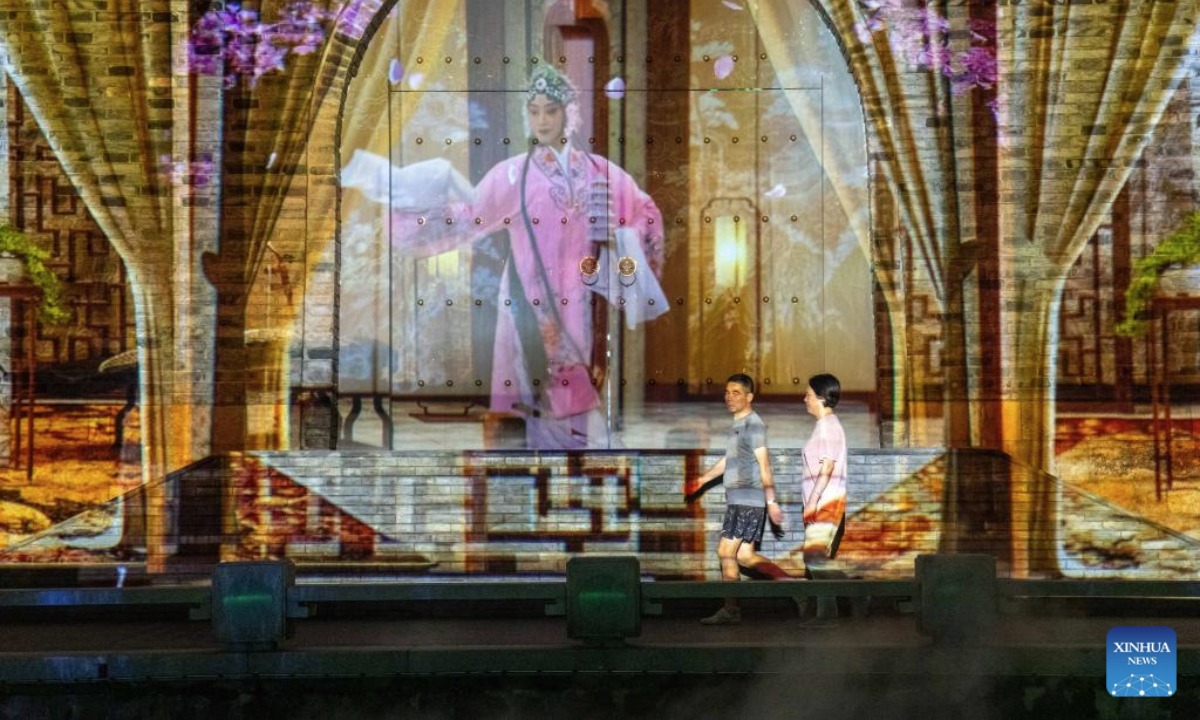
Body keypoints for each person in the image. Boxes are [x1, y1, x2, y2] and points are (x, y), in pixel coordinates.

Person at [341, 65, 667, 449]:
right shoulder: (514, 175)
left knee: (584, 408)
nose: (543, 120)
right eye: (535, 112)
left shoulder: (602, 174)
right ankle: (533, 484)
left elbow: (645, 215)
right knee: (532, 409)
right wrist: (409, 205)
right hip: (528, 306)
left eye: (551, 110)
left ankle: (575, 483)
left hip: (586, 305)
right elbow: (467, 216)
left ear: (570, 114)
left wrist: (621, 237)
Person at [696, 373, 789, 626]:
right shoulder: (739, 424)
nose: (729, 397)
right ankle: (797, 589)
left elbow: (765, 464)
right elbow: (729, 461)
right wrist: (702, 479)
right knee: (745, 556)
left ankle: (731, 609)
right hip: (740, 498)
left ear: (750, 397)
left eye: (736, 392)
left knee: (725, 551)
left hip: (748, 499)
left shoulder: (753, 425)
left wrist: (772, 503)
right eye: (727, 392)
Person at [800, 372, 848, 621]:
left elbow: (827, 468)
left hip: (826, 501)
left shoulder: (828, 427)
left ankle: (828, 615)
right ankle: (858, 593)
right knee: (817, 558)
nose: (804, 399)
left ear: (820, 397)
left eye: (808, 394)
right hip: (824, 500)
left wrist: (812, 501)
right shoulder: (826, 426)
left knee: (814, 557)